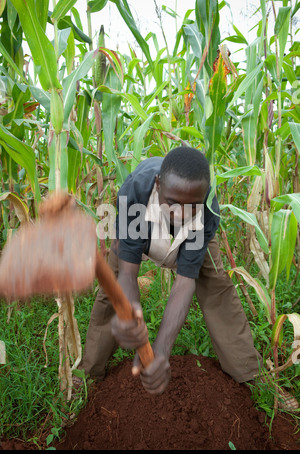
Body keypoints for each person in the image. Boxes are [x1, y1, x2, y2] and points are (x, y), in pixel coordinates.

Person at [77, 147, 298, 410]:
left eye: (191, 206)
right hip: (141, 226)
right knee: (113, 289)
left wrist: (160, 351)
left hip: (194, 237)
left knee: (217, 288)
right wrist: (132, 315)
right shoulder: (135, 193)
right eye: (172, 203)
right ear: (158, 185)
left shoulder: (206, 211)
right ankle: (88, 374)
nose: (180, 215)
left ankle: (251, 373)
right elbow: (128, 273)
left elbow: (185, 281)